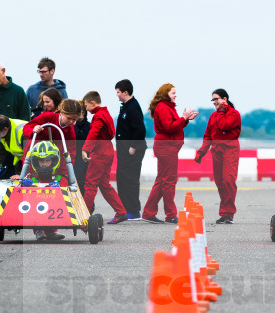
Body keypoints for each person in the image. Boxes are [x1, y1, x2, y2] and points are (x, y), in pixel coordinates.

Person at [141, 83, 198, 224]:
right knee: (169, 182)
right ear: (166, 94)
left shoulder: (166, 107)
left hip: (167, 147)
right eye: (173, 92)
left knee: (162, 181)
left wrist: (185, 120)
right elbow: (169, 127)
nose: (175, 95)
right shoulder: (163, 107)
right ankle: (171, 215)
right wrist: (183, 118)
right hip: (167, 147)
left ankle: (148, 213)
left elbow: (174, 125)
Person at [81, 91, 128, 224]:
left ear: (92, 103)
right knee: (104, 184)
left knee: (90, 185)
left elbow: (94, 132)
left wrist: (85, 149)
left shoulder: (98, 116)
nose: (86, 109)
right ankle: (121, 211)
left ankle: (83, 217)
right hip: (108, 149)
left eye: (86, 106)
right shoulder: (106, 113)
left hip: (100, 151)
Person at [195, 88, 241, 224]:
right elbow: (208, 135)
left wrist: (222, 112)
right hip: (217, 151)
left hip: (230, 150)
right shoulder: (213, 116)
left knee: (228, 181)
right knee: (220, 182)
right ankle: (224, 213)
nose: (214, 102)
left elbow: (223, 125)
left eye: (216, 99)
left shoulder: (234, 114)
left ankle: (229, 213)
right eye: (213, 100)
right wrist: (201, 152)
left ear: (224, 99)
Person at [16, 140, 66, 242]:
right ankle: (39, 229)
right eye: (42, 161)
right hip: (34, 210)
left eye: (47, 161)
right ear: (36, 162)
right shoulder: (31, 178)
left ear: (54, 161)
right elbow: (19, 196)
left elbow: (69, 194)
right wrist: (24, 185)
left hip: (56, 210)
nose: (44, 164)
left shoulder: (61, 178)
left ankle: (51, 232)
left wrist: (59, 188)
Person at [114, 79, 146, 219]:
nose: (117, 95)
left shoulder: (133, 107)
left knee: (130, 179)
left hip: (131, 150)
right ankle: (125, 208)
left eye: (118, 92)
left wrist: (133, 146)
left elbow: (140, 129)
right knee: (122, 179)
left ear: (125, 92)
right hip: (123, 150)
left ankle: (133, 210)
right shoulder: (125, 106)